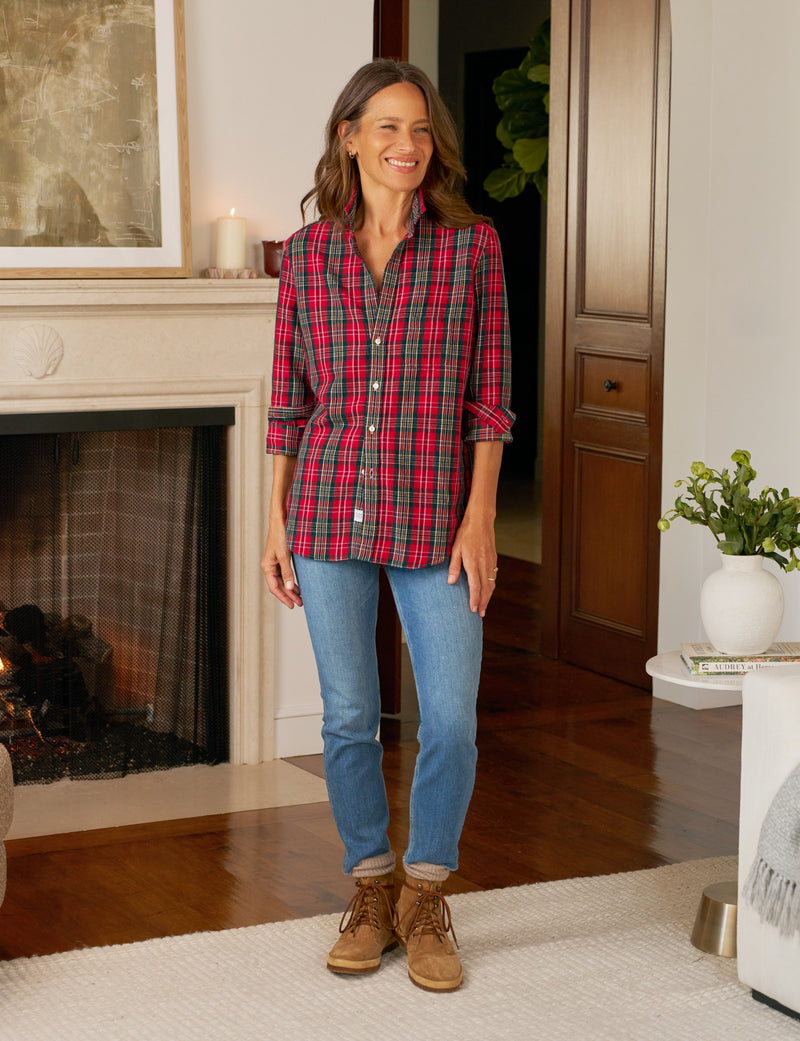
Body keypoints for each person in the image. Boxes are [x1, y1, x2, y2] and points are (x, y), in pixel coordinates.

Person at [261, 58, 514, 993]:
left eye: (420, 131)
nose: (407, 147)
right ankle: (370, 887)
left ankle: (427, 890)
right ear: (350, 138)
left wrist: (481, 514)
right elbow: (288, 403)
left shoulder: (470, 248)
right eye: (387, 129)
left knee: (450, 714)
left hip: (438, 515)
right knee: (348, 716)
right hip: (327, 507)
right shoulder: (307, 254)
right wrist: (277, 520)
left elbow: (491, 401)